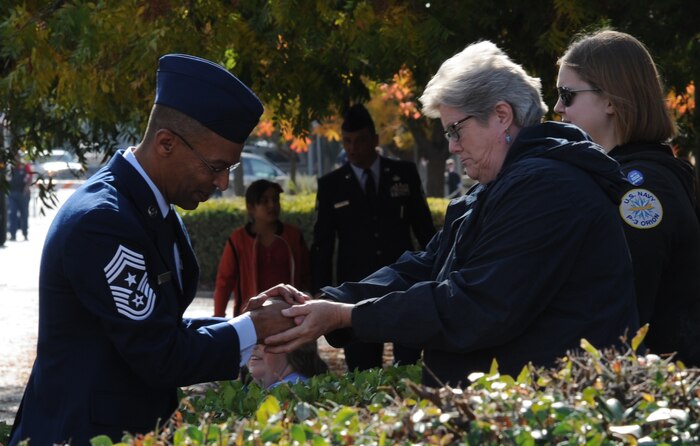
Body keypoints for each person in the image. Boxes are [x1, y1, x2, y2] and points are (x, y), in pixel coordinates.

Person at [265, 40, 639, 388]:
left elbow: (475, 307)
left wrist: (347, 315)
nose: (453, 148)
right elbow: (426, 266)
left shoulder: (547, 187)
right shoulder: (508, 183)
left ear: (501, 116)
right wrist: (321, 301)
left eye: (456, 131)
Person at [8, 54, 304, 446]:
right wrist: (254, 329)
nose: (221, 182)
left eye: (228, 169)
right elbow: (160, 354)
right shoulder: (104, 221)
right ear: (166, 143)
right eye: (215, 166)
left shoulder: (150, 207)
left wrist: (246, 323)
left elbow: (157, 328)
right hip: (83, 433)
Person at [555, 29, 700, 365]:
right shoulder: (630, 174)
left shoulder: (640, 188)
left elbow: (622, 313)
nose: (558, 107)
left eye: (567, 94)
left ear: (610, 100)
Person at [310, 103, 436, 371]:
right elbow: (322, 244)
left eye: (360, 140)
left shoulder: (403, 174)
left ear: (375, 140)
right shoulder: (332, 185)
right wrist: (321, 294)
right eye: (347, 142)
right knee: (361, 370)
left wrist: (439, 273)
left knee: (408, 367)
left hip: (404, 287)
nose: (353, 148)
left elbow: (424, 228)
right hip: (355, 289)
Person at [214, 179, 310, 317]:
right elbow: (224, 283)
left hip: (291, 316)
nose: (272, 205)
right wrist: (218, 317)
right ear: (251, 207)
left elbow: (306, 276)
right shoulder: (238, 240)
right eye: (264, 201)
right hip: (249, 317)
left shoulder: (293, 236)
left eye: (275, 200)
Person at [247, 340, 328, 389]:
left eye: (263, 340)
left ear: (293, 345)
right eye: (251, 339)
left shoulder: (287, 391)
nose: (253, 346)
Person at [7, 153, 32, 241]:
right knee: (12, 214)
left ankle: (25, 233)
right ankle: (12, 234)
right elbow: (6, 178)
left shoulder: (25, 166)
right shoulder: (10, 167)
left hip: (23, 195)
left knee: (24, 215)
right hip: (12, 194)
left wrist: (26, 188)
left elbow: (30, 178)